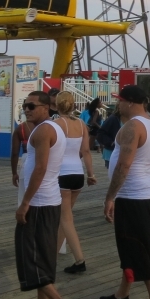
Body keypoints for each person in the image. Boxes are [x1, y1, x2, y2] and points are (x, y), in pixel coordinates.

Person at [101, 84, 150, 299]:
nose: (118, 105)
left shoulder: (132, 127)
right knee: (130, 246)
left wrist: (110, 196)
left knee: (140, 249)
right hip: (146, 192)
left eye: (120, 101)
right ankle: (122, 293)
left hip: (133, 196)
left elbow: (123, 165)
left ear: (129, 102)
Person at [12, 90, 74, 299]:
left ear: (46, 108)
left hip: (39, 203)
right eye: (25, 105)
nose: (27, 110)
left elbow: (40, 169)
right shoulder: (57, 127)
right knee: (44, 258)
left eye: (32, 106)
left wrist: (25, 203)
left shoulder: (43, 130)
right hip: (51, 201)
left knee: (30, 258)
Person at [53, 92, 98, 274]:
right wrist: (91, 174)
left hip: (61, 174)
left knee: (66, 219)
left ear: (56, 106)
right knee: (66, 217)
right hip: (77, 174)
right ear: (73, 106)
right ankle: (53, 253)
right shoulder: (81, 125)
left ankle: (79, 260)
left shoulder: (56, 124)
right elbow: (86, 151)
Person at [12, 104, 38, 207]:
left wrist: (14, 173)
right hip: (44, 160)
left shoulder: (21, 129)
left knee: (23, 191)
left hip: (26, 160)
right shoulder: (48, 126)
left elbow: (14, 152)